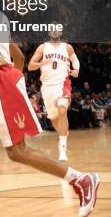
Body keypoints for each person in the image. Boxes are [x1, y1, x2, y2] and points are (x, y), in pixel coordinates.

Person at [0, 36, 99, 217]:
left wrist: (10, 82)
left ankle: (81, 179)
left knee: (17, 151)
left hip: (1, 81)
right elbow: (21, 59)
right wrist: (14, 78)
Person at [28, 26, 80, 162]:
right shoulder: (42, 48)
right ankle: (64, 137)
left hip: (62, 84)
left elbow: (75, 61)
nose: (55, 31)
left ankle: (62, 148)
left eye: (57, 29)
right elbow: (30, 65)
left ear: (61, 32)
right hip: (47, 87)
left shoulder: (67, 47)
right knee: (55, 120)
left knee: (62, 110)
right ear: (49, 32)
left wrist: (76, 70)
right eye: (52, 29)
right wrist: (42, 63)